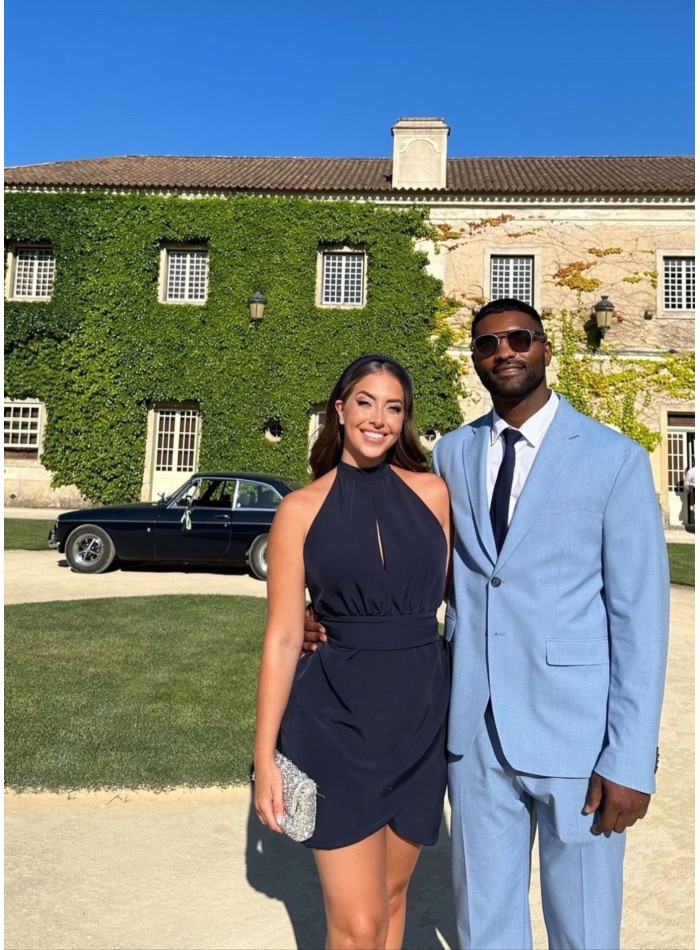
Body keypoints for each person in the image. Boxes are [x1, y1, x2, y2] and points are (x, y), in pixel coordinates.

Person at [305, 300, 670, 950]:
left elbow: (641, 618)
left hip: (577, 742)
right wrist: (325, 612)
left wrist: (631, 758)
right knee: (485, 933)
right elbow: (416, 575)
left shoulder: (613, 461)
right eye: (487, 344)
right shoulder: (451, 456)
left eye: (519, 338)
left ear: (545, 349)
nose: (504, 351)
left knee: (584, 932)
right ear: (475, 360)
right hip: (473, 740)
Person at [253, 355, 451, 950]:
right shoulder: (299, 510)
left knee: (391, 904)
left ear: (405, 420)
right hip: (335, 724)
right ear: (340, 410)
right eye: (365, 402)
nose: (379, 418)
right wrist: (265, 757)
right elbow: (284, 636)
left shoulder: (435, 494)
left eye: (394, 407)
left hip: (420, 723)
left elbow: (462, 599)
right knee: (358, 924)